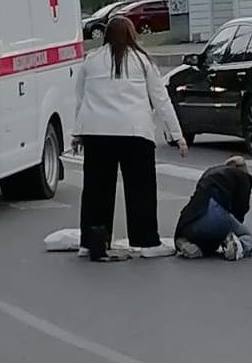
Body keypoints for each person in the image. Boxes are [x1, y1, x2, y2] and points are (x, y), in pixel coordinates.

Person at [73, 15, 186, 261]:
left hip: (96, 133)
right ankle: (147, 241)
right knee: (141, 189)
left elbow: (80, 97)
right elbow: (161, 100)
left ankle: (91, 242)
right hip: (135, 133)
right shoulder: (142, 61)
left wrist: (77, 132)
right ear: (131, 35)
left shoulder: (91, 60)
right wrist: (177, 135)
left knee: (95, 190)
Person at [174, 156, 252, 261]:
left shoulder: (210, 172)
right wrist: (234, 229)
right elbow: (242, 207)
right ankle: (237, 246)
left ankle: (186, 242)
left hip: (190, 219)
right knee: (248, 237)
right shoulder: (243, 176)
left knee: (208, 241)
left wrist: (180, 232)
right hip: (216, 215)